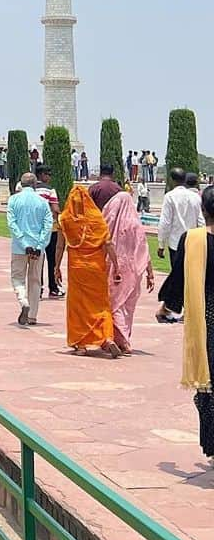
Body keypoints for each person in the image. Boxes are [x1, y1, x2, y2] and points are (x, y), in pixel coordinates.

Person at [158, 185, 214, 461]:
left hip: (208, 319)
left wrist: (168, 306)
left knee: (208, 387)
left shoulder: (193, 240)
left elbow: (179, 277)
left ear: (203, 211)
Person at [54, 185, 121, 357]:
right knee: (100, 304)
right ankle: (106, 337)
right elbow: (108, 244)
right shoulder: (97, 219)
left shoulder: (66, 219)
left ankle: (81, 345)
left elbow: (60, 246)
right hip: (96, 268)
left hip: (77, 269)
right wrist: (116, 266)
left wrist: (56, 267)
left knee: (78, 306)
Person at [102, 189, 154, 353]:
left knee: (114, 303)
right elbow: (144, 249)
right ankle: (123, 338)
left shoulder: (108, 224)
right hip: (133, 271)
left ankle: (121, 340)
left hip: (114, 268)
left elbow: (103, 242)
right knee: (127, 306)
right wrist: (150, 273)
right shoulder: (135, 224)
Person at [6, 174, 53, 326]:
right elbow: (48, 226)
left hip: (20, 247)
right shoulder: (43, 202)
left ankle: (23, 301)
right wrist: (39, 245)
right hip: (37, 247)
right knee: (35, 280)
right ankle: (32, 315)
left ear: (21, 183)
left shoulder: (14, 200)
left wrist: (23, 242)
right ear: (35, 185)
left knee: (17, 278)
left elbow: (12, 224)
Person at [157, 170, 204, 321]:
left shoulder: (170, 196)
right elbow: (201, 220)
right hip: (192, 241)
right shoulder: (195, 197)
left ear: (171, 180)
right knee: (190, 277)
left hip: (175, 244)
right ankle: (180, 309)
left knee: (178, 277)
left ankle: (175, 308)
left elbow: (165, 222)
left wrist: (161, 244)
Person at [33, 164, 62, 298]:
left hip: (34, 229)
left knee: (37, 259)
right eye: (48, 174)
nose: (49, 177)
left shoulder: (31, 190)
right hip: (50, 229)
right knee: (52, 259)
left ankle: (37, 288)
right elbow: (55, 209)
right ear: (42, 175)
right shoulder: (50, 190)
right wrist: (58, 220)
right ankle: (53, 287)